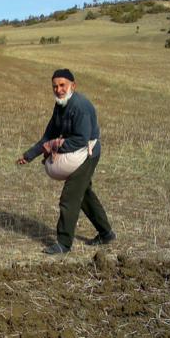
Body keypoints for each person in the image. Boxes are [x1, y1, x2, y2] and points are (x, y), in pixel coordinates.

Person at [16, 69, 115, 254]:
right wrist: (29, 155)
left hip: (87, 154)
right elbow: (49, 135)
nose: (58, 89)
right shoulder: (60, 105)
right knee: (84, 194)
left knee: (69, 197)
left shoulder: (80, 106)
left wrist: (56, 147)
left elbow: (80, 139)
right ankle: (106, 233)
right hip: (74, 152)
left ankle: (63, 243)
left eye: (62, 85)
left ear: (72, 85)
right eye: (55, 86)